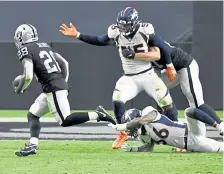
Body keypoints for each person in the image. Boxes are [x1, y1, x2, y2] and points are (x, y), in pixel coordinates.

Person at [59, 7, 178, 149]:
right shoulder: (115, 31)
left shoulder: (145, 30)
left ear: (134, 22)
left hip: (148, 74)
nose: (124, 27)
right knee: (117, 99)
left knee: (166, 102)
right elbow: (99, 40)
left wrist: (169, 65)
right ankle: (122, 132)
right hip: (129, 77)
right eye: (121, 24)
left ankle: (177, 134)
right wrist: (78, 35)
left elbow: (162, 46)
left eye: (127, 24)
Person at [13, 24, 116, 157]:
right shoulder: (44, 45)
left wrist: (21, 88)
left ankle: (98, 114)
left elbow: (27, 76)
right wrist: (63, 81)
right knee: (33, 114)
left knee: (65, 120)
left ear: (21, 37)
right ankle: (33, 145)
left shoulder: (25, 50)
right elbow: (64, 63)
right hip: (54, 86)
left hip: (53, 88)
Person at [109, 106, 224, 153]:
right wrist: (133, 149)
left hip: (189, 129)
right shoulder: (142, 135)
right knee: (220, 149)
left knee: (189, 111)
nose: (129, 130)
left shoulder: (148, 113)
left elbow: (141, 121)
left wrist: (123, 126)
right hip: (192, 143)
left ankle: (220, 126)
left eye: (129, 125)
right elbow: (149, 148)